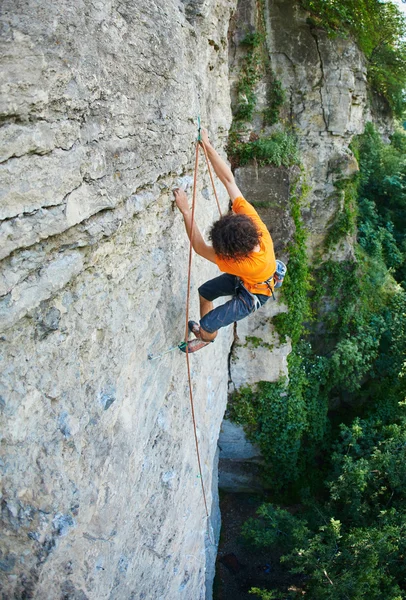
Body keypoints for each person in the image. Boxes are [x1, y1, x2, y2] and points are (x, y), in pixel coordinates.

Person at [173, 128, 277, 353]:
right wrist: (208, 146)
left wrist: (186, 211)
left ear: (234, 254)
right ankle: (206, 330)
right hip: (251, 277)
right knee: (204, 292)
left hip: (254, 294)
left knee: (209, 322)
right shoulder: (253, 222)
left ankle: (206, 338)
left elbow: (200, 248)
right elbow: (229, 180)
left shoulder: (243, 263)